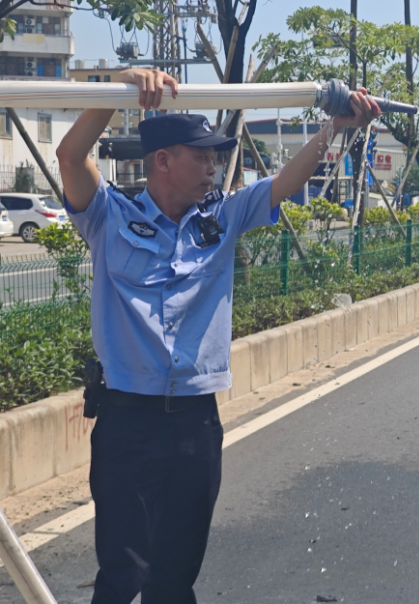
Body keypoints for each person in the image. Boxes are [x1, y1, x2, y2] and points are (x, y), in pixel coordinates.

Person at [55, 68, 380, 604]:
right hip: (127, 421)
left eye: (214, 156)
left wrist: (334, 130)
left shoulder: (222, 218)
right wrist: (119, 91)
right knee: (121, 571)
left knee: (176, 575)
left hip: (195, 423)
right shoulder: (109, 217)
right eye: (201, 156)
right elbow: (70, 157)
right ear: (163, 160)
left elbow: (284, 183)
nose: (213, 166)